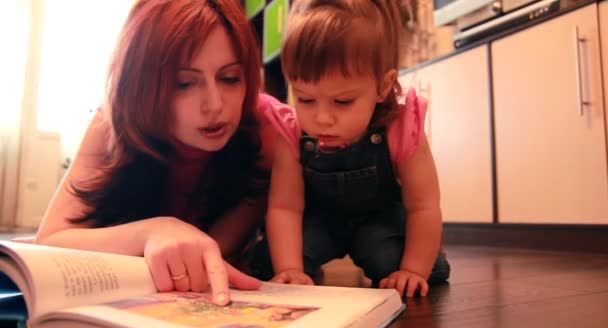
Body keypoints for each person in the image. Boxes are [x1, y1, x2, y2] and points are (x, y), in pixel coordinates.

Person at [34, 0, 285, 306]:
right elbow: (51, 239)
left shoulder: (266, 128)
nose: (215, 105)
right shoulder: (113, 123)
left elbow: (214, 254)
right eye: (184, 83)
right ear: (143, 85)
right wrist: (152, 231)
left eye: (230, 78)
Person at [259, 0, 450, 297]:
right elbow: (285, 207)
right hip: (320, 222)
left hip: (379, 221)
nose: (322, 118)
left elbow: (423, 206)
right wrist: (290, 269)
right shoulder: (293, 132)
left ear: (383, 86)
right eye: (305, 99)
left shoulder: (400, 126)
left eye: (343, 101)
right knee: (266, 264)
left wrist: (413, 269)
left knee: (407, 265)